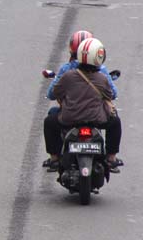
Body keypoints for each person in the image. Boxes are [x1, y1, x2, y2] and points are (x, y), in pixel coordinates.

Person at [43, 38, 123, 172]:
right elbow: (110, 95)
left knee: (49, 121)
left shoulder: (68, 76)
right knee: (115, 122)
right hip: (97, 119)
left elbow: (55, 92)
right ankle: (111, 159)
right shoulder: (102, 78)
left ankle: (54, 159)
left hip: (69, 119)